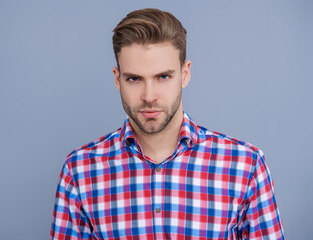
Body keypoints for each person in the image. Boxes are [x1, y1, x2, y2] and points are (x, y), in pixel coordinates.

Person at [50, 8, 285, 239]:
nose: (149, 96)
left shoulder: (246, 166)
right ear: (117, 79)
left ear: (185, 74)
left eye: (163, 77)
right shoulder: (80, 171)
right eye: (134, 79)